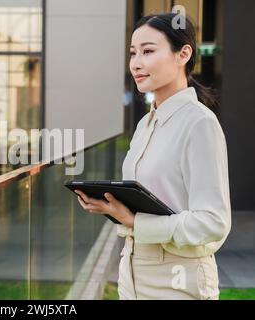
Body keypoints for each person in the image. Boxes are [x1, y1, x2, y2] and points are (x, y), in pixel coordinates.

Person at [75, 13, 231, 300]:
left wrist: (135, 221)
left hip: (178, 281)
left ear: (183, 54)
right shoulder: (146, 125)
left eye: (148, 51)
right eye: (133, 53)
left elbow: (213, 222)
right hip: (133, 273)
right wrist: (113, 206)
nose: (136, 63)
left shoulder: (199, 123)